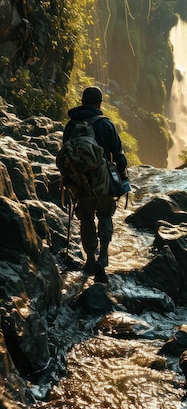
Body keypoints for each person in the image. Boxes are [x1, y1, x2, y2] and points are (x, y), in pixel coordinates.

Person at [62, 86, 128, 276]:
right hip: (103, 181)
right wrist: (122, 179)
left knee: (86, 221)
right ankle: (104, 257)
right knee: (105, 215)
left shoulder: (71, 126)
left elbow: (65, 154)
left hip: (79, 182)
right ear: (100, 103)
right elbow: (119, 156)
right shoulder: (105, 124)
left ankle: (90, 260)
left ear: (82, 102)